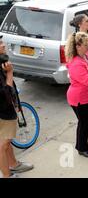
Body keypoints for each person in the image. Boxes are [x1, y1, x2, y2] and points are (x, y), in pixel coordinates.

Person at [0, 36, 34, 178]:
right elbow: (4, 93)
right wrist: (10, 73)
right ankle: (7, 175)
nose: (3, 45)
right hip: (3, 112)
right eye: (0, 43)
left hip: (6, 109)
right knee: (3, 145)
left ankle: (14, 164)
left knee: (6, 141)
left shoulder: (2, 62)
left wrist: (17, 104)